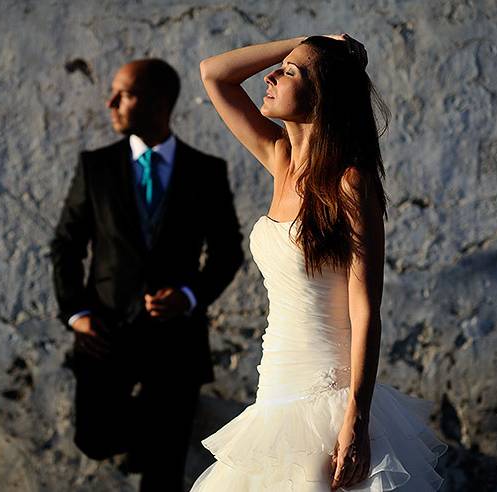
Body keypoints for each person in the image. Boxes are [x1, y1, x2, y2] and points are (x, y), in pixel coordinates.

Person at [192, 34, 447, 491]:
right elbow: (214, 72)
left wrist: (356, 419)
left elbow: (365, 309)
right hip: (273, 387)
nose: (270, 76)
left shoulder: (350, 182)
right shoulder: (280, 159)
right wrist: (306, 43)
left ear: (321, 95)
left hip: (328, 396)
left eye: (290, 72)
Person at [50, 58, 244, 491]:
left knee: (163, 476)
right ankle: (156, 438)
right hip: (104, 337)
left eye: (125, 94)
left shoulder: (205, 170)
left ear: (159, 104)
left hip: (175, 345)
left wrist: (190, 296)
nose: (110, 102)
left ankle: (163, 443)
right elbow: (65, 245)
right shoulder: (95, 168)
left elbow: (228, 252)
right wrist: (76, 313)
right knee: (94, 439)